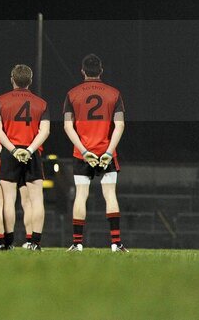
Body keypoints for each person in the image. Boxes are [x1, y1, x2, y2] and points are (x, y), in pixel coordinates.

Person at [62, 54, 127, 252]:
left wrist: (83, 150)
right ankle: (116, 244)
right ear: (101, 70)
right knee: (110, 194)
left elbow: (67, 126)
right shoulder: (114, 93)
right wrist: (108, 152)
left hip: (83, 154)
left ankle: (77, 243)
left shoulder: (72, 93)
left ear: (82, 71)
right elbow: (120, 125)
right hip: (106, 152)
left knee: (81, 195)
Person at [0, 64, 49, 251]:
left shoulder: (0, 101)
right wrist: (30, 150)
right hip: (32, 155)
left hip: (10, 153)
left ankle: (7, 243)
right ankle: (36, 243)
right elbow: (45, 131)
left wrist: (13, 150)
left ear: (12, 79)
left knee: (8, 200)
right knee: (36, 200)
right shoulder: (41, 103)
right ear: (30, 81)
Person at [0, 129, 32, 249]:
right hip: (28, 157)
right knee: (28, 203)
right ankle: (31, 241)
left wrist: (9, 153)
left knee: (4, 202)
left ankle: (2, 241)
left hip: (7, 160)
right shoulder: (35, 109)